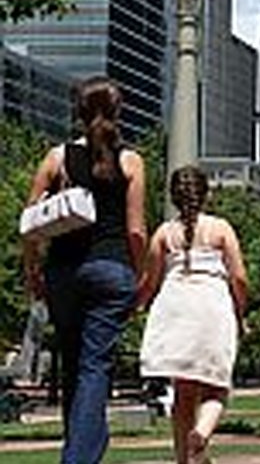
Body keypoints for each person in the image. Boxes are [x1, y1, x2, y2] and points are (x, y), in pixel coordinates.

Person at [22, 77, 147, 464]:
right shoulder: (131, 161)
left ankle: (78, 451)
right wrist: (141, 276)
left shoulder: (56, 158)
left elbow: (29, 223)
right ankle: (79, 457)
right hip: (112, 271)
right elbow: (136, 230)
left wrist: (32, 270)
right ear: (118, 112)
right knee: (95, 368)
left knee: (75, 367)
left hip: (64, 273)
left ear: (78, 113)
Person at [137, 166, 248, 464]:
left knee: (183, 393)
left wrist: (137, 305)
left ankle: (183, 459)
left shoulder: (164, 233)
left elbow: (149, 282)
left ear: (173, 197)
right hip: (211, 306)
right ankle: (201, 433)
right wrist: (241, 313)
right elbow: (239, 278)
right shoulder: (221, 229)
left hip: (175, 309)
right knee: (216, 387)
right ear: (206, 194)